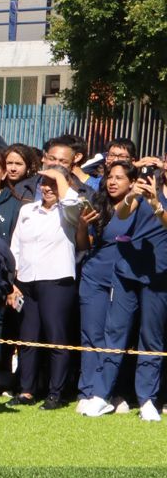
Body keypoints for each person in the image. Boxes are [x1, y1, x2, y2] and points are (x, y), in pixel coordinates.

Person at [90, 159, 167, 420]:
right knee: (115, 333)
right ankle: (101, 395)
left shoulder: (158, 195)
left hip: (159, 274)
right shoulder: (146, 184)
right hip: (126, 272)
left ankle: (147, 400)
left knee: (151, 338)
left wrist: (157, 204)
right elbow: (123, 214)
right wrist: (130, 197)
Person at [8, 165, 84, 409]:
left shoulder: (68, 209)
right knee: (28, 337)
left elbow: (72, 202)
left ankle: (56, 393)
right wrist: (12, 281)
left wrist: (61, 177)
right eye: (44, 182)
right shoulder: (27, 210)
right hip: (27, 282)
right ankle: (27, 390)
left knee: (56, 338)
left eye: (54, 183)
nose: (48, 188)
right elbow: (15, 246)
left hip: (57, 281)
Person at [76, 159, 133, 415]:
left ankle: (112, 391)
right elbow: (83, 246)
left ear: (131, 182)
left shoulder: (138, 207)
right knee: (92, 335)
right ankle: (88, 390)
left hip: (124, 278)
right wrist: (80, 224)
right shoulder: (98, 204)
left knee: (117, 336)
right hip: (93, 276)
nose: (112, 182)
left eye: (119, 177)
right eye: (109, 177)